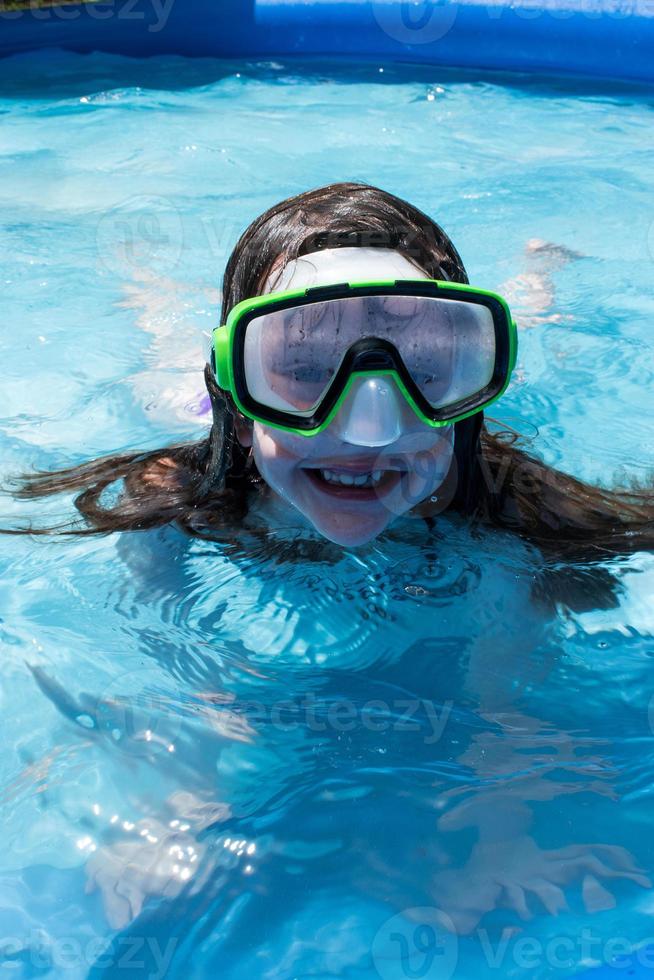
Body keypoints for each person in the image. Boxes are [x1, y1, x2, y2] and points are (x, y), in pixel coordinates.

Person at [6, 182, 653, 555]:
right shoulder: (174, 493)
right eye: (300, 362)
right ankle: (143, 283)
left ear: (469, 403)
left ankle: (541, 277)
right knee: (166, 359)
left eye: (427, 363)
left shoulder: (512, 500)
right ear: (237, 415)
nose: (369, 428)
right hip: (191, 401)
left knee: (528, 316)